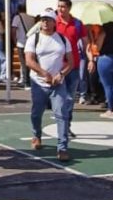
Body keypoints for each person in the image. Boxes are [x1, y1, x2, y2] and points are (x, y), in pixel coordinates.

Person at [25, 9, 75, 161]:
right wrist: (43, 73)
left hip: (58, 83)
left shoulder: (62, 39)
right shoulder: (33, 39)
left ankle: (62, 148)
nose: (45, 22)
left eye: (48, 19)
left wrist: (61, 74)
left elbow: (71, 62)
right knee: (36, 112)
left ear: (54, 22)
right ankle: (36, 135)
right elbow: (29, 60)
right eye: (43, 19)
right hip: (38, 83)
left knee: (61, 114)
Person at [55, 0, 87, 119]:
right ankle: (61, 118)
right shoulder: (53, 23)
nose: (60, 9)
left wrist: (89, 59)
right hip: (57, 66)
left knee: (70, 96)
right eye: (59, 6)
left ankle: (66, 120)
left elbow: (85, 42)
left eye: (63, 7)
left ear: (69, 8)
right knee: (59, 96)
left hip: (73, 65)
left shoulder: (77, 24)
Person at [11, 8, 35, 87]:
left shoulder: (17, 17)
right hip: (31, 43)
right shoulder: (31, 17)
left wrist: (15, 41)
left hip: (21, 43)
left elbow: (13, 30)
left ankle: (25, 81)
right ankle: (27, 79)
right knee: (30, 62)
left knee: (24, 63)